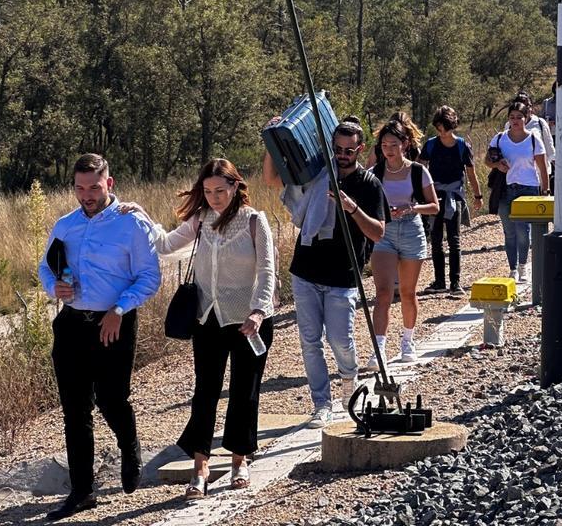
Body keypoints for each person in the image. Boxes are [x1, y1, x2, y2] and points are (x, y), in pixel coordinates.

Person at [121, 159, 276, 499]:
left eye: (220, 191)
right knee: (205, 394)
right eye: (207, 192)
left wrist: (259, 311)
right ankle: (200, 466)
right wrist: (141, 215)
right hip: (208, 320)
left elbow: (267, 271)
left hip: (249, 322)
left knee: (243, 393)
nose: (214, 198)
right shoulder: (201, 220)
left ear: (235, 187)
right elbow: (164, 244)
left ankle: (239, 461)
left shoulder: (254, 221)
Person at [37, 154, 161, 521]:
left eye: (93, 187)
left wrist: (119, 310)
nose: (86, 195)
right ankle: (82, 491)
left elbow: (149, 277)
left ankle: (129, 444)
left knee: (111, 398)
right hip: (72, 324)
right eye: (79, 187)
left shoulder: (131, 224)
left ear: (110, 183)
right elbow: (46, 266)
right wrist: (53, 287)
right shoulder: (65, 225)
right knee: (75, 411)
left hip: (115, 322)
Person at [265, 116, 386, 425]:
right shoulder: (319, 174)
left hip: (343, 275)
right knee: (309, 341)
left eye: (349, 150)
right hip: (305, 269)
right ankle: (321, 403)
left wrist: (352, 208)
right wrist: (271, 140)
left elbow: (378, 233)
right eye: (338, 149)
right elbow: (272, 179)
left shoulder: (369, 184)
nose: (342, 155)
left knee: (340, 340)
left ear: (360, 149)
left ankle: (349, 382)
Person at [365, 114, 440, 368]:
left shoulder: (418, 171)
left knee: (408, 292)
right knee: (383, 293)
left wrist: (411, 208)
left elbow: (434, 206)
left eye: (393, 145)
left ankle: (408, 341)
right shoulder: (374, 172)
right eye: (384, 146)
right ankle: (379, 349)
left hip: (411, 231)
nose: (389, 150)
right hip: (383, 233)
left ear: (405, 144)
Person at [420, 105, 482, 296]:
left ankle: (455, 283)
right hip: (435, 197)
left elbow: (471, 174)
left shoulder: (462, 146)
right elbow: (420, 170)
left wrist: (478, 196)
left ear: (451, 125)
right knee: (436, 240)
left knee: (454, 239)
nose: (441, 131)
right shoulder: (430, 145)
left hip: (454, 197)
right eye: (438, 127)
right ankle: (439, 281)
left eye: (443, 127)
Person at [485, 102, 549, 281]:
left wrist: (545, 190)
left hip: (527, 189)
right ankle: (512, 268)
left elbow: (542, 167)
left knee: (523, 230)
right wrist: (497, 165)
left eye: (519, 117)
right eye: (512, 117)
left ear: (525, 118)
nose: (515, 121)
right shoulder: (499, 139)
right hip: (505, 189)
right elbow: (487, 160)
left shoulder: (534, 139)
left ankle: (523, 265)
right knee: (509, 231)